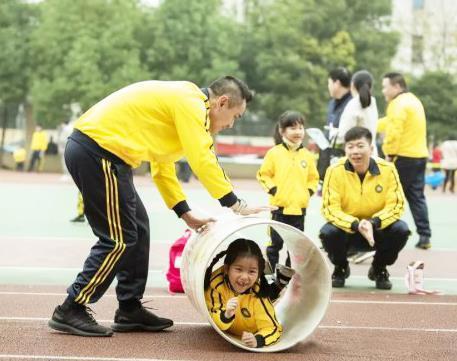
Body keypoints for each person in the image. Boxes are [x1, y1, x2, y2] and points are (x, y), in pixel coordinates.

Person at [48, 76, 274, 337]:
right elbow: (203, 157)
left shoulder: (182, 107)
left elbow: (162, 165)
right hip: (97, 152)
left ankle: (129, 308)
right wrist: (234, 203)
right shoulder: (192, 104)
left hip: (108, 156)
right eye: (236, 116)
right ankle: (71, 307)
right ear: (222, 102)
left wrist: (184, 212)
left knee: (139, 229)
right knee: (119, 238)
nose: (231, 124)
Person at [320, 126, 410, 290]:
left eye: (360, 146)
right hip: (348, 230)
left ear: (371, 147)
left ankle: (379, 268)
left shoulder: (388, 170)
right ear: (345, 149)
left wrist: (373, 222)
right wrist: (355, 224)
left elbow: (396, 205)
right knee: (327, 232)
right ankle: (340, 267)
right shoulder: (334, 171)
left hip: (377, 230)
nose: (355, 151)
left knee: (401, 230)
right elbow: (330, 208)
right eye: (350, 146)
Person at [257, 111, 319, 271]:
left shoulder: (308, 155)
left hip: (299, 210)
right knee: (274, 245)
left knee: (296, 248)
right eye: (292, 128)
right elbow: (263, 175)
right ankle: (271, 275)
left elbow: (313, 178)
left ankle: (290, 276)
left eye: (300, 127)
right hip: (279, 209)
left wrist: (309, 192)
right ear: (282, 131)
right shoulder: (274, 153)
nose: (298, 131)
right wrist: (274, 189)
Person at [381, 72, 432, 250]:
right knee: (417, 197)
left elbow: (394, 131)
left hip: (403, 157)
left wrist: (388, 152)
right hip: (420, 155)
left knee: (390, 195)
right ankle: (425, 236)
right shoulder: (413, 101)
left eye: (385, 86)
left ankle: (386, 234)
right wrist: (373, 124)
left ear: (396, 86)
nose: (383, 91)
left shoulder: (397, 104)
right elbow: (389, 122)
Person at [204, 238, 282, 348]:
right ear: (227, 268)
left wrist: (258, 339)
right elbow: (213, 313)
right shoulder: (215, 284)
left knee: (271, 294)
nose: (245, 277)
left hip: (252, 325)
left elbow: (273, 327)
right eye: (239, 269)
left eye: (252, 271)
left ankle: (280, 283)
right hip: (230, 319)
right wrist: (226, 315)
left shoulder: (258, 294)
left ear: (259, 273)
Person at [317, 67, 352, 181]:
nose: (328, 87)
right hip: (328, 157)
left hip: (345, 157)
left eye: (329, 83)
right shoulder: (332, 103)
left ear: (336, 83)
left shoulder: (353, 104)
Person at [336, 70, 378, 156]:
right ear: (370, 87)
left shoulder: (353, 104)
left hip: (356, 155)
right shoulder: (373, 102)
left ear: (352, 85)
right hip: (371, 153)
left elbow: (342, 135)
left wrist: (333, 134)